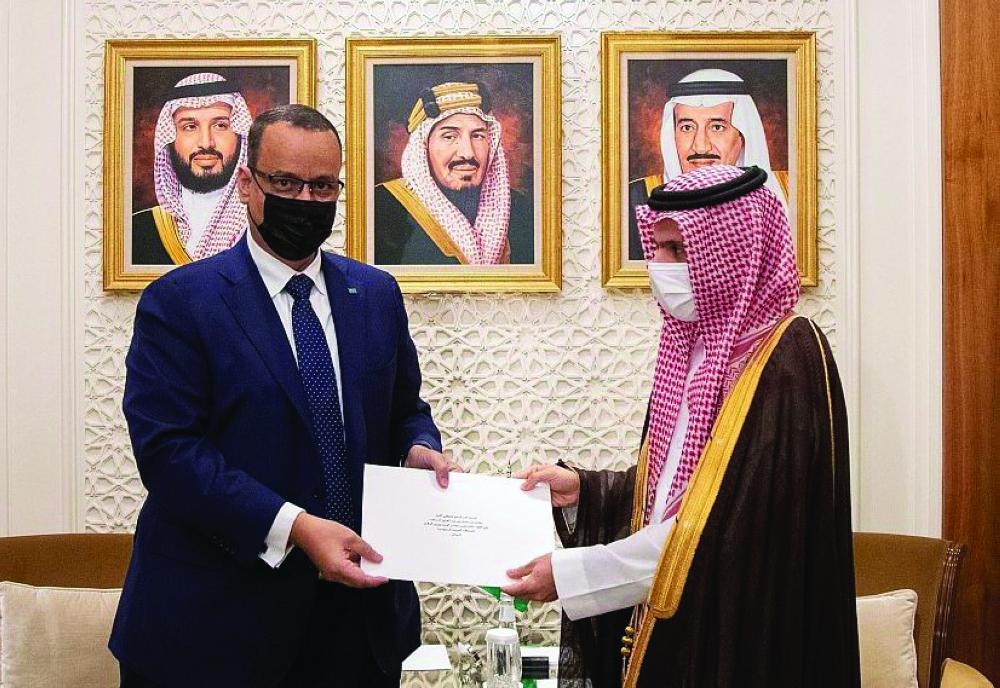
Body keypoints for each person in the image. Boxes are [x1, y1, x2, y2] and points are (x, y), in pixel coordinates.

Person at [110, 104, 458, 687]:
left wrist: (419, 446)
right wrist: (295, 527)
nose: (305, 199)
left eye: (322, 186)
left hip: (357, 625)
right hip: (214, 630)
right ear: (248, 183)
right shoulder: (180, 303)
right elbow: (169, 454)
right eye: (286, 183)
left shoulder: (375, 294)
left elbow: (404, 409)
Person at [506, 165, 860, 687]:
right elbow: (681, 492)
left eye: (679, 250)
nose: (660, 266)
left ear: (734, 253)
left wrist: (576, 573)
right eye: (657, 248)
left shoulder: (787, 357)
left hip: (741, 647)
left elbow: (733, 529)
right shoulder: (692, 350)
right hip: (674, 634)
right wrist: (588, 490)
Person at [627, 68, 789, 260]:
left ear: (743, 135)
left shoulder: (791, 194)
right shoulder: (635, 200)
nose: (700, 145)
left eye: (717, 127)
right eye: (687, 127)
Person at [373, 81, 533, 265]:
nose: (468, 153)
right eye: (449, 136)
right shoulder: (384, 208)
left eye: (478, 136)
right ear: (424, 147)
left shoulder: (522, 211)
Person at [131, 72, 250, 266]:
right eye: (190, 127)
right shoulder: (138, 230)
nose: (206, 143)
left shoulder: (263, 227)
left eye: (220, 125)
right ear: (170, 137)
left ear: (240, 136)